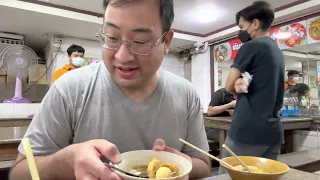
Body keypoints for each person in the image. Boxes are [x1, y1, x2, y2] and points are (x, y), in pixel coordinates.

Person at [10, 1, 211, 180]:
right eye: (112, 38)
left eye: (140, 41)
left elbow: (204, 164)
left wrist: (180, 167)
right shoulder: (68, 89)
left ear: (166, 41)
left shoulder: (186, 94)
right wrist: (66, 161)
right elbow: (19, 173)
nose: (122, 57)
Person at [224, 0, 285, 166]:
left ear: (255, 24)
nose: (241, 32)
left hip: (248, 131)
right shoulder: (276, 50)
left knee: (230, 176)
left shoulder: (251, 46)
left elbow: (228, 86)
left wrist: (234, 84)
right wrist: (241, 83)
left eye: (242, 27)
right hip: (273, 132)